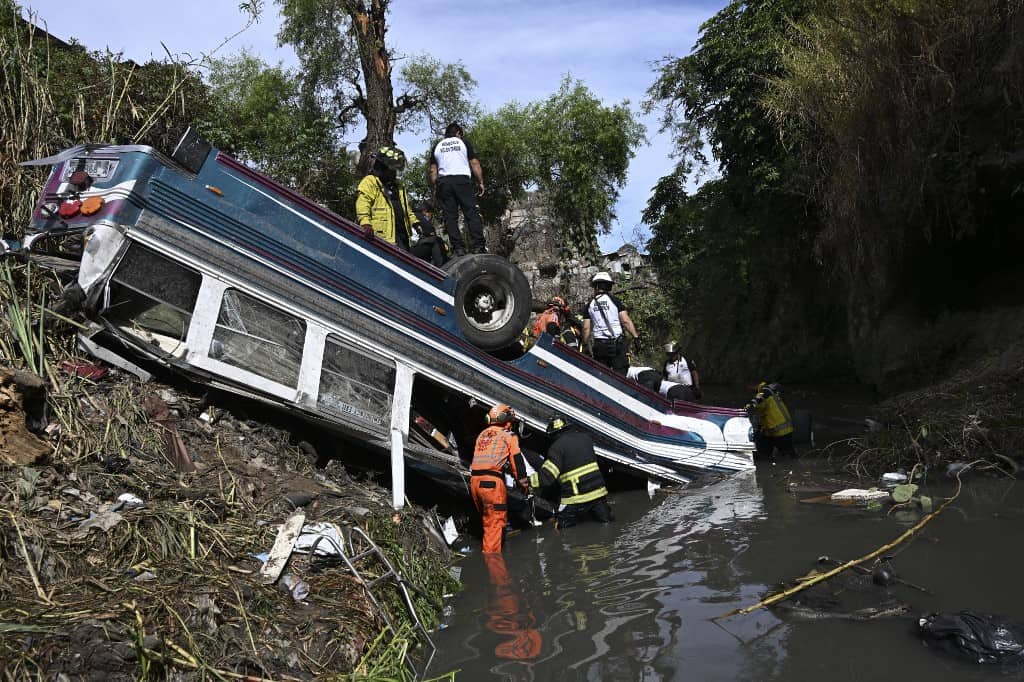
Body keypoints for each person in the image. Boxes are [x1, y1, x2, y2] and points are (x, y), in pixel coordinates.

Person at [522, 416, 612, 529]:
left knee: (561, 527)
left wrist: (529, 481)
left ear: (552, 434)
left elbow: (548, 476)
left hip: (575, 498)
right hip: (599, 493)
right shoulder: (586, 439)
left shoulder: (556, 448)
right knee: (607, 523)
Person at [471, 403, 530, 553]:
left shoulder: (482, 435)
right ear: (507, 419)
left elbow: (489, 458)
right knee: (495, 525)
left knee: (487, 521)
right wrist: (524, 485)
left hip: (475, 483)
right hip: (491, 484)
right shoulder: (508, 435)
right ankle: (494, 569)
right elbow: (517, 462)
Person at [429, 122, 486, 256]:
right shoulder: (463, 143)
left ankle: (458, 248)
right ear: (459, 133)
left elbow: (432, 170)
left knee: (450, 217)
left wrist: (436, 187)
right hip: (462, 181)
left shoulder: (437, 146)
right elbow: (474, 163)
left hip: (444, 183)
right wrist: (481, 182)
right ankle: (478, 245)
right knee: (471, 213)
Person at [355, 145, 424, 253]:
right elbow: (363, 204)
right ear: (383, 167)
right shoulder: (370, 182)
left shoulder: (398, 187)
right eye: (392, 170)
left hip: (402, 237)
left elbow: (406, 209)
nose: (394, 173)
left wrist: (415, 223)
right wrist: (365, 223)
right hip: (383, 239)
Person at [581, 271, 639, 375]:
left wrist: (585, 344)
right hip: (617, 345)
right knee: (620, 375)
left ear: (596, 286)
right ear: (608, 286)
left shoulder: (589, 305)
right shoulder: (615, 301)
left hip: (599, 346)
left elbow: (586, 328)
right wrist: (635, 337)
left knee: (602, 375)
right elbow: (625, 321)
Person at [746, 381, 796, 460]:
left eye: (749, 387)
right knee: (764, 454)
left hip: (781, 431)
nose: (748, 390)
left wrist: (747, 406)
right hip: (772, 431)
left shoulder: (765, 392)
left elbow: (757, 400)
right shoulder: (769, 391)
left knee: (788, 456)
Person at [411, 201, 446, 266]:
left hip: (411, 248)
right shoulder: (419, 217)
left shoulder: (413, 215)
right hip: (413, 249)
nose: (430, 217)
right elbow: (430, 231)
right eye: (430, 214)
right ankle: (442, 265)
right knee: (436, 240)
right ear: (425, 211)